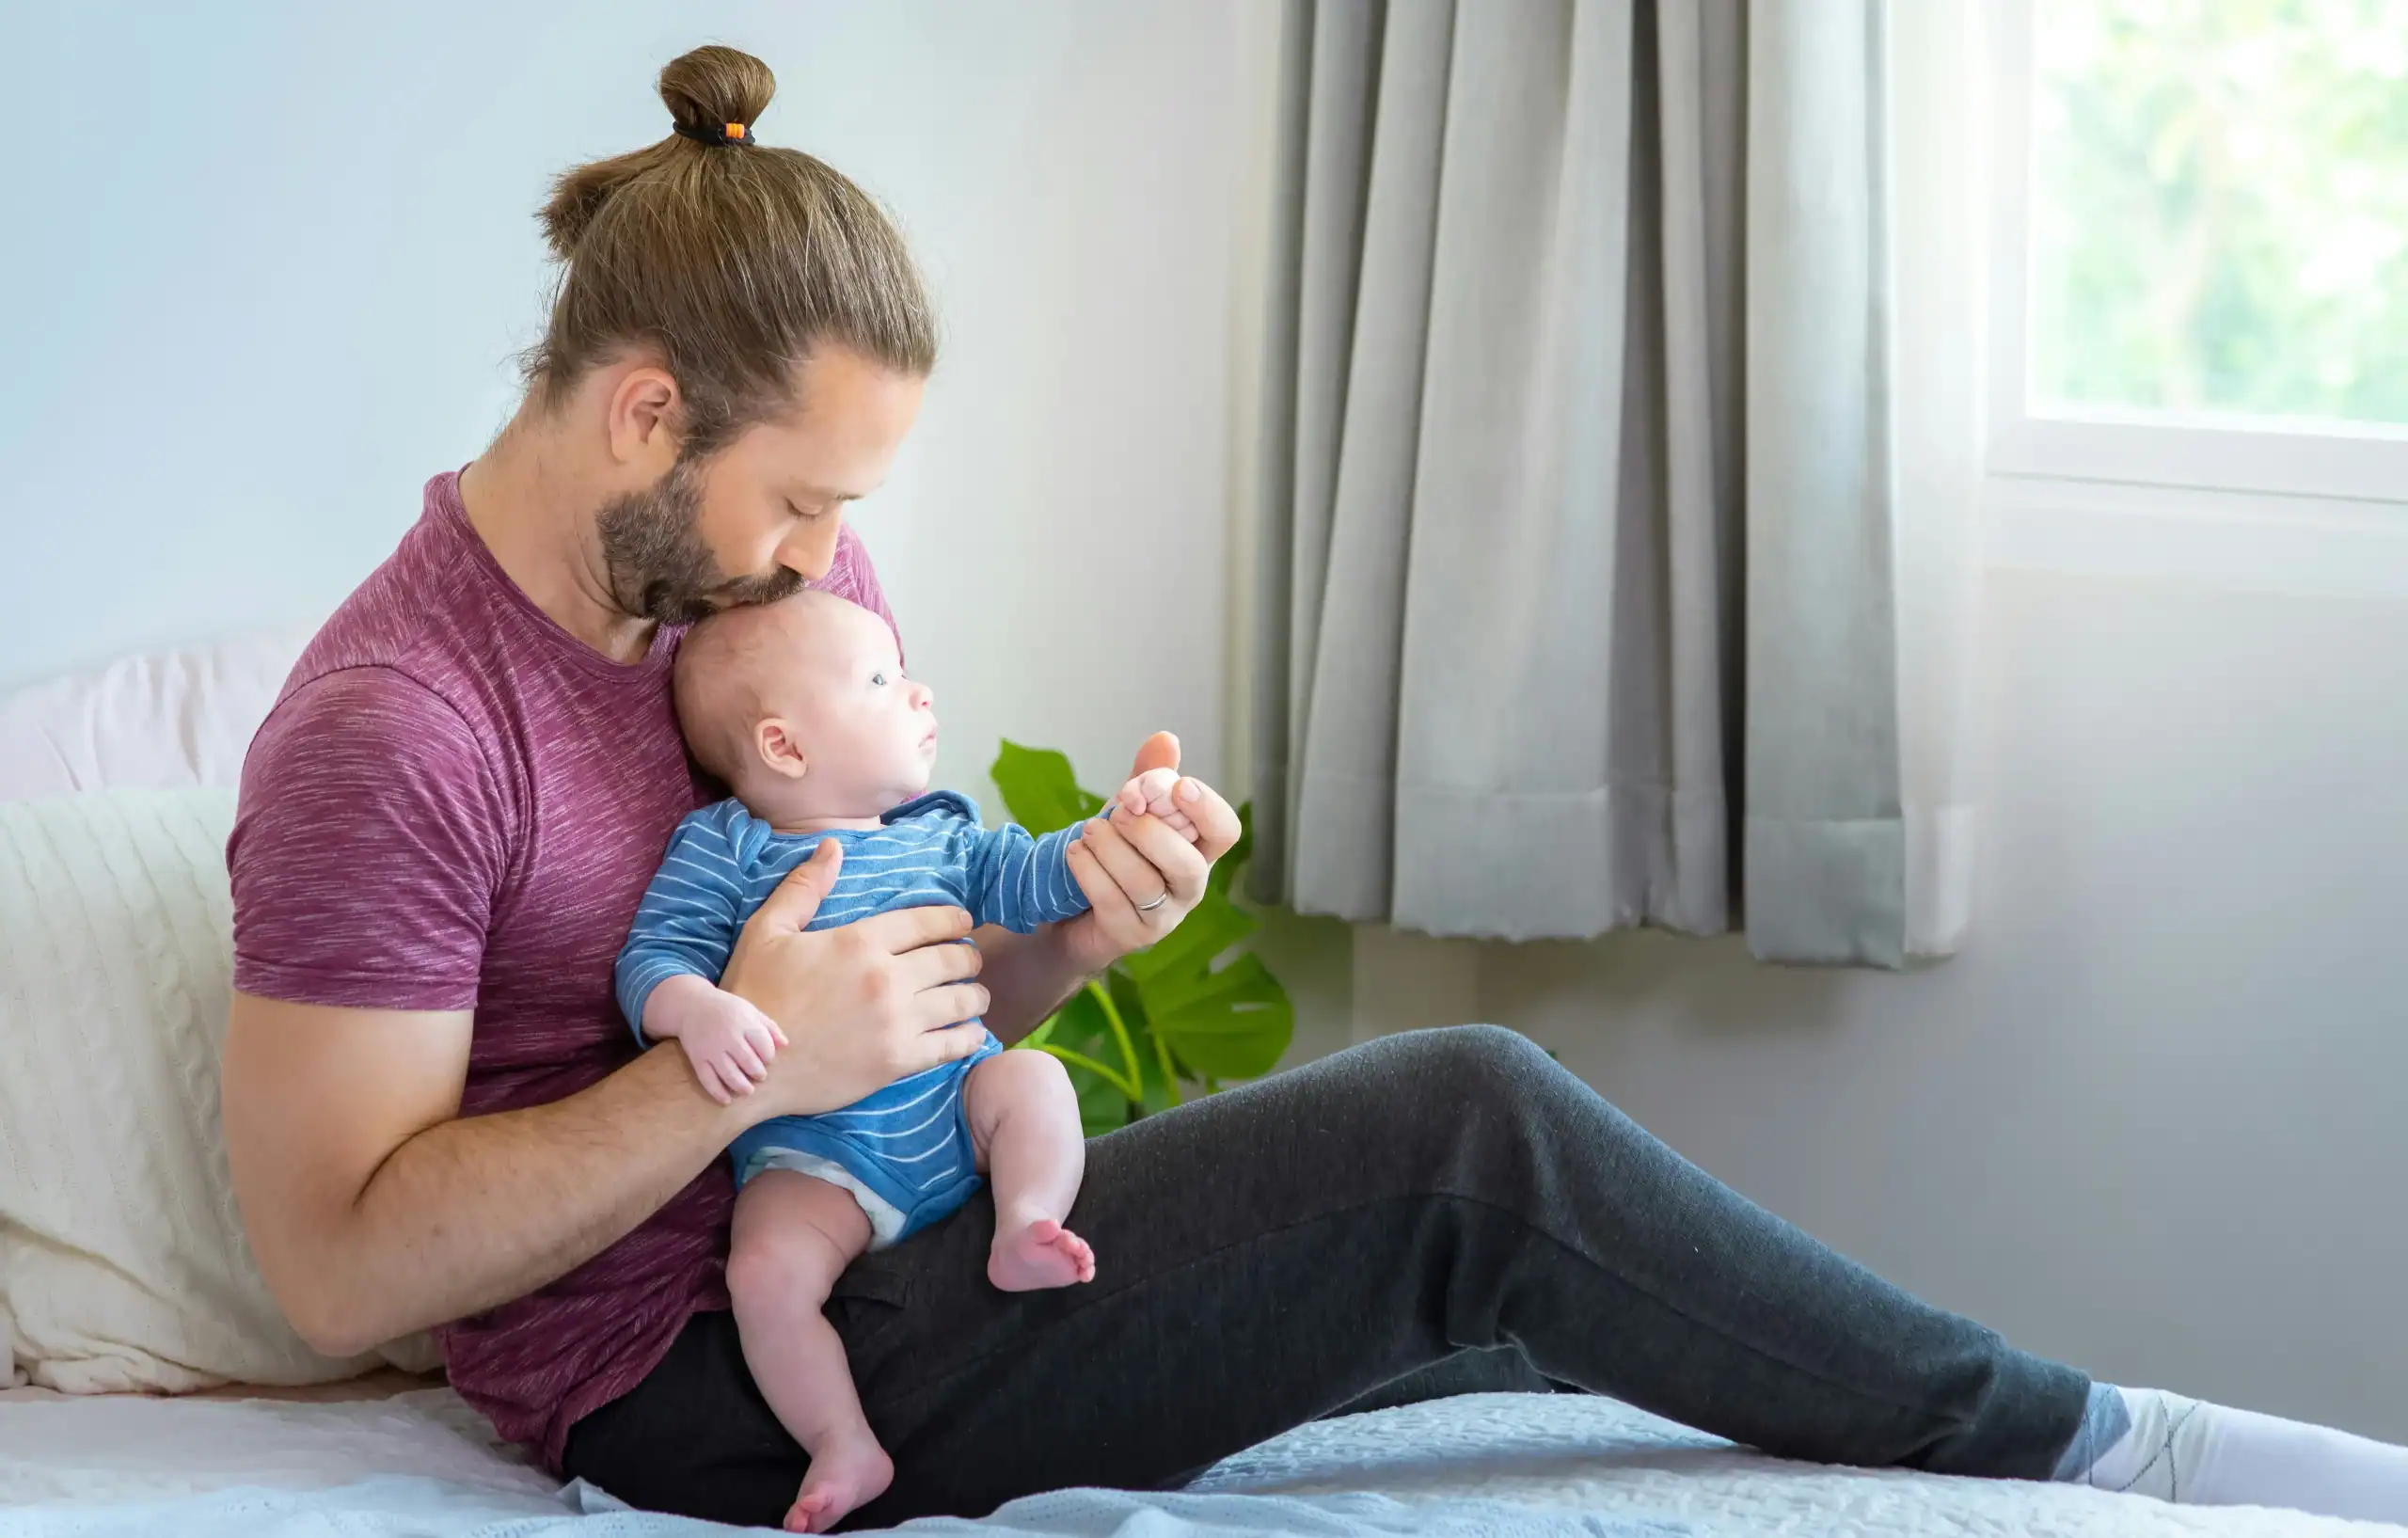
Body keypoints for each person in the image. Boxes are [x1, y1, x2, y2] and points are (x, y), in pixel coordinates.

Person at [220, 43, 2408, 1531]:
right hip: (706, 1366)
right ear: (638, 413)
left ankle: (2036, 1436)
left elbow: (938, 984)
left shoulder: (766, 616)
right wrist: (726, 1076)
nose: (823, 563)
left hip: (918, 1210)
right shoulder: (398, 727)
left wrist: (1074, 919)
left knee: (1479, 1296)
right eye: (795, 504)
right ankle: (2109, 1443)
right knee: (1463, 1125)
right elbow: (331, 1268)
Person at [617, 589, 1198, 1530]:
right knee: (763, 1275)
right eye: (883, 679)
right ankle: (843, 1442)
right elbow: (653, 958)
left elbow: (1043, 874)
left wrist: (1122, 831)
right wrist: (698, 1012)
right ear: (785, 748)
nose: (920, 693)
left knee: (1034, 1080)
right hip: (820, 1161)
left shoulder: (941, 836)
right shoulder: (724, 848)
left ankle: (1025, 1222)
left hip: (957, 1111)